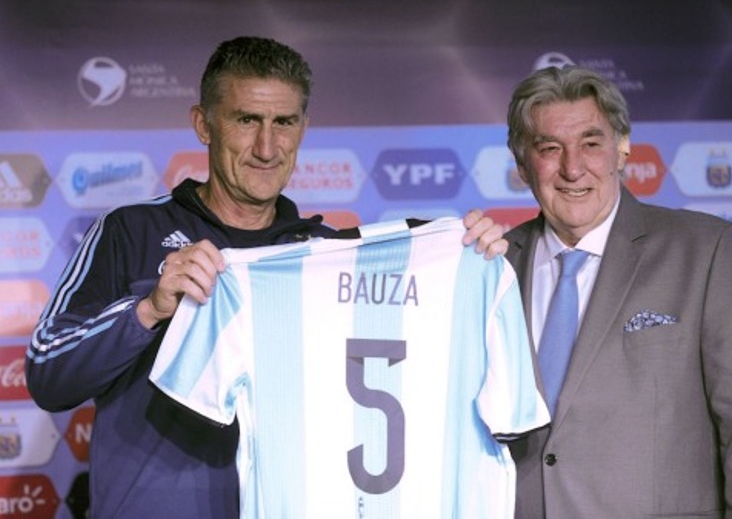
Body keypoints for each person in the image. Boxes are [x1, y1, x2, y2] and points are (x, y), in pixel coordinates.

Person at [25, 36, 508, 518]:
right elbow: (47, 376)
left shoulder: (326, 255)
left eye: (284, 122)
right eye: (246, 120)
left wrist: (468, 248)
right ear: (203, 124)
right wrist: (148, 309)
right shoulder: (129, 231)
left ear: (303, 128)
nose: (266, 147)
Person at [504, 65, 732, 518]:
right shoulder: (493, 267)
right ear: (523, 164)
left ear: (621, 151)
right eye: (549, 148)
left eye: (591, 143)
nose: (572, 168)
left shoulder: (705, 251)